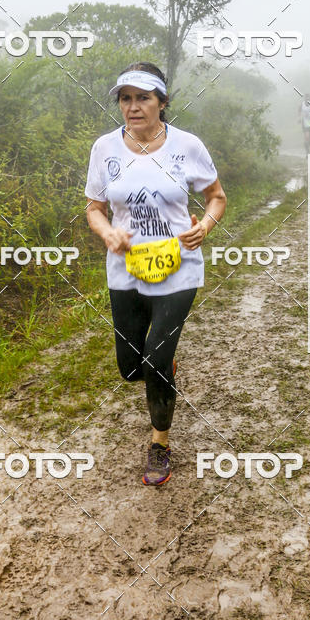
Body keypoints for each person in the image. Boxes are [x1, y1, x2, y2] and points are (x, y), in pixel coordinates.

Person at [85, 62, 227, 487]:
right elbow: (94, 207)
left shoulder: (187, 146)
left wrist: (204, 226)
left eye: (143, 97)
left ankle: (159, 443)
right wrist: (108, 232)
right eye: (125, 98)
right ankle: (158, 364)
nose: (133, 107)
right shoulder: (104, 149)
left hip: (178, 270)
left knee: (155, 361)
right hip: (126, 270)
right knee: (131, 368)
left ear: (163, 102)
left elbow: (216, 197)